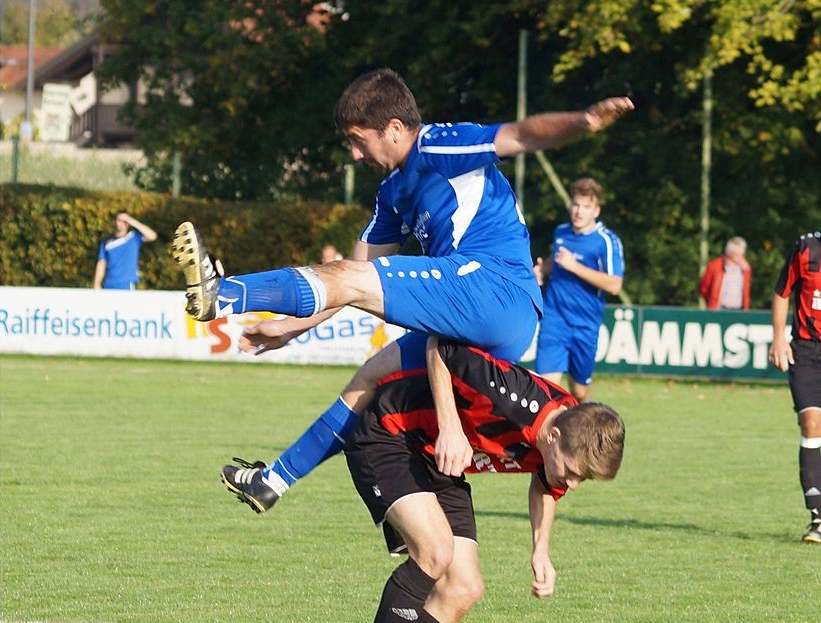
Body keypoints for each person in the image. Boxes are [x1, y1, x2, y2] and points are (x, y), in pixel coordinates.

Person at [172, 68, 633, 513]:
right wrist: (294, 327)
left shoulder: (442, 144)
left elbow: (521, 135)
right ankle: (274, 480)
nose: (354, 154)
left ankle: (223, 293)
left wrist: (585, 121)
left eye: (358, 140)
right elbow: (352, 276)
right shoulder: (392, 191)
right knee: (370, 377)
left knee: (354, 287)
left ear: (393, 128)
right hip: (471, 312)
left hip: (497, 291)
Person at [227, 336, 626, 623]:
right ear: (553, 435)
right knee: (435, 552)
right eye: (573, 471)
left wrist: (541, 550)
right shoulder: (514, 398)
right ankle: (277, 477)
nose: (572, 483)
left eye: (582, 479)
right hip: (390, 435)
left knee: (464, 587)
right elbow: (442, 345)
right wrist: (451, 425)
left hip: (439, 463)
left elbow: (546, 481)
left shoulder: (569, 432)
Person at [768, 184, 821, 544]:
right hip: (809, 353)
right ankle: (816, 519)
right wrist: (777, 337)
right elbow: (781, 291)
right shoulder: (807, 248)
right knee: (810, 424)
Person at [533, 177, 624, 403]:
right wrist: (541, 270)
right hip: (555, 318)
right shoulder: (561, 232)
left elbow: (615, 285)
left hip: (585, 324)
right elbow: (557, 261)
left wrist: (575, 267)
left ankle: (590, 422)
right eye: (576, 204)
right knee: (547, 389)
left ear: (596, 210)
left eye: (586, 207)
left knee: (579, 391)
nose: (579, 211)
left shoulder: (606, 241)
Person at [93, 211, 158, 290]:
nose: (122, 223)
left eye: (125, 221)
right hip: (109, 283)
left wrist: (131, 220)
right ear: (115, 221)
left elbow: (152, 236)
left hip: (127, 283)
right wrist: (97, 283)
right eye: (119, 220)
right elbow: (102, 262)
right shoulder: (106, 241)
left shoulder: (133, 237)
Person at [698, 236, 752, 310]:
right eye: (737, 254)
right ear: (729, 253)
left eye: (742, 253)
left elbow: (746, 292)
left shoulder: (745, 269)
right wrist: (712, 302)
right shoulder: (714, 266)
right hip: (719, 309)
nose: (741, 257)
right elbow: (704, 288)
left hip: (739, 310)